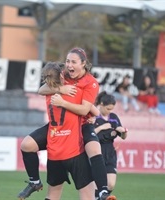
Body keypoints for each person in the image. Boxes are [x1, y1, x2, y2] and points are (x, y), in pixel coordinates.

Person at [18, 47, 116, 200]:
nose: (69, 65)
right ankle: (34, 181)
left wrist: (64, 103)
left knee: (93, 148)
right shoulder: (62, 75)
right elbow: (42, 89)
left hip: (81, 123)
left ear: (83, 63)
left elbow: (86, 110)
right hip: (58, 130)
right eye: (67, 61)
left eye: (73, 62)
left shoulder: (90, 82)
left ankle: (103, 189)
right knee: (27, 145)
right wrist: (61, 89)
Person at [42, 62, 94, 199]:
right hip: (73, 151)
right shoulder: (73, 91)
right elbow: (92, 111)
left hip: (54, 152)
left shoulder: (49, 93)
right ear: (61, 74)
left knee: (53, 194)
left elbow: (41, 89)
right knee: (88, 192)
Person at [93, 91, 128, 197]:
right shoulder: (94, 116)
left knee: (111, 184)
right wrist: (101, 128)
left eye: (111, 109)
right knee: (95, 184)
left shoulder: (114, 117)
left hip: (110, 153)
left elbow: (123, 137)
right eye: (108, 109)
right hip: (96, 151)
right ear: (101, 104)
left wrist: (123, 132)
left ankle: (100, 198)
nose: (109, 111)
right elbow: (88, 134)